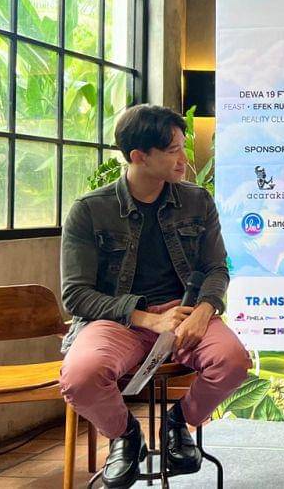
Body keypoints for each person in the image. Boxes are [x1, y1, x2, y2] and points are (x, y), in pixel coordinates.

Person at [59, 104, 251, 489]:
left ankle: (177, 424)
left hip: (185, 312)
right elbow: (75, 295)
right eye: (173, 150)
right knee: (81, 377)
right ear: (138, 156)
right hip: (117, 319)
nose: (184, 159)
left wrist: (203, 311)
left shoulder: (197, 201)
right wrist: (147, 318)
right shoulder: (90, 211)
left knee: (232, 362)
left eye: (183, 147)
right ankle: (126, 436)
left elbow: (216, 268)